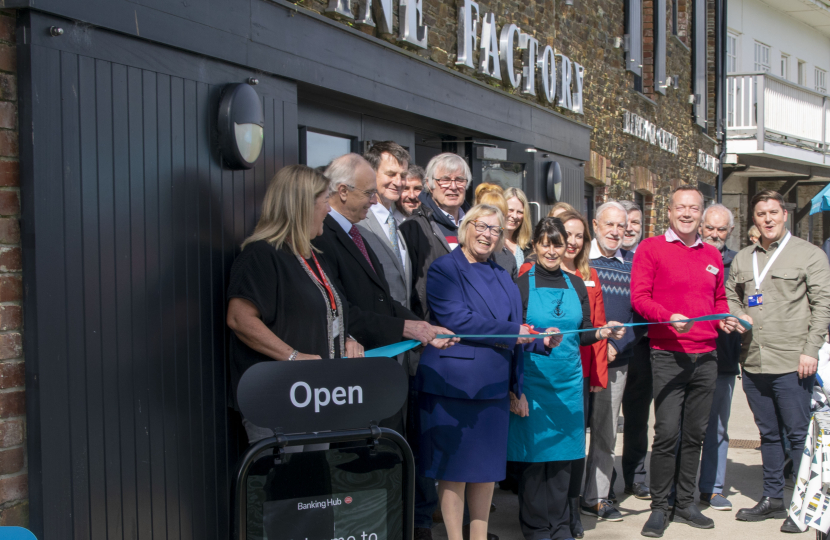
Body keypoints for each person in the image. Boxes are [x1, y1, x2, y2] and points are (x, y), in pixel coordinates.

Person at [416, 205, 561, 540]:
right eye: (481, 226)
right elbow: (459, 320)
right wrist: (517, 332)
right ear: (467, 227)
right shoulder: (444, 270)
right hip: (455, 387)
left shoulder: (501, 274)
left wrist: (541, 339)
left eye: (495, 230)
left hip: (493, 387)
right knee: (453, 471)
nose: (487, 234)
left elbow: (514, 327)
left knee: (485, 472)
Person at [312, 154, 456, 432]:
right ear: (342, 191)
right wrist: (407, 327)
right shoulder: (323, 237)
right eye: (368, 192)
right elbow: (341, 308)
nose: (373, 199)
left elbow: (382, 298)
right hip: (353, 376)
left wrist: (425, 328)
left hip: (379, 369)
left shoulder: (358, 235)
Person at [631, 185, 745, 537]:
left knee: (695, 434)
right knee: (666, 434)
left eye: (693, 208)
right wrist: (666, 316)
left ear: (701, 213)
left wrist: (724, 317)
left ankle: (685, 502)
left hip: (706, 356)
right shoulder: (651, 248)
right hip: (667, 354)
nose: (686, 213)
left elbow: (718, 299)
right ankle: (659, 507)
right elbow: (639, 298)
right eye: (680, 207)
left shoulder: (710, 254)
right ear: (668, 211)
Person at [226, 165, 364, 444]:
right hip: (279, 400)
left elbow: (323, 311)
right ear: (301, 206)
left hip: (315, 398)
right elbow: (240, 319)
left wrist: (346, 338)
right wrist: (293, 357)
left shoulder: (312, 255)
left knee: (313, 482)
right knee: (285, 483)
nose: (328, 209)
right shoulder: (262, 254)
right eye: (324, 201)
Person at [509, 216, 625, 540]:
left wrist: (602, 331)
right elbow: (512, 335)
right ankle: (535, 528)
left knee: (563, 460)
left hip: (568, 385)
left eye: (556, 243)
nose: (551, 250)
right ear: (535, 245)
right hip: (533, 383)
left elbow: (584, 331)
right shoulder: (519, 285)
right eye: (545, 243)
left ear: (565, 246)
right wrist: (514, 390)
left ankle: (559, 526)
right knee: (535, 460)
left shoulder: (576, 284)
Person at [726, 190, 830, 533]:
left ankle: (805, 507)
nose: (767, 219)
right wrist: (739, 315)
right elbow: (730, 295)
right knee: (768, 434)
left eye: (773, 212)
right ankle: (773, 498)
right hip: (754, 360)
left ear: (784, 215)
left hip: (792, 361)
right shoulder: (743, 258)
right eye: (760, 213)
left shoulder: (809, 255)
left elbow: (822, 307)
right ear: (753, 219)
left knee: (798, 436)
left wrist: (811, 350)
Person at [581, 201, 645, 522]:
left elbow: (641, 316)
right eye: (610, 225)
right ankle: (567, 492)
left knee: (606, 434)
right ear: (595, 225)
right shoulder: (580, 261)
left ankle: (596, 496)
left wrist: (617, 344)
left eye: (622, 226)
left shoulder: (634, 266)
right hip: (579, 358)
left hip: (615, 362)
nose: (616, 231)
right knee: (574, 429)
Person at [555, 209, 609, 538]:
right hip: (548, 372)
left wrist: (599, 378)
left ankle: (571, 509)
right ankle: (546, 508)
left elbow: (599, 329)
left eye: (579, 236)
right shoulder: (532, 270)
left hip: (582, 374)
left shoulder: (589, 274)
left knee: (576, 446)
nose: (573, 242)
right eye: (567, 235)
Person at [697, 204, 741, 512]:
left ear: (730, 231)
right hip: (688, 352)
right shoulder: (691, 255)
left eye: (721, 229)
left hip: (724, 356)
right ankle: (676, 486)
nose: (714, 234)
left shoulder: (738, 263)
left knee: (718, 427)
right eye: (710, 228)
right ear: (701, 228)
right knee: (682, 426)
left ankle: (712, 487)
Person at [401, 153, 472, 319]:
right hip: (434, 330)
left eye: (459, 180)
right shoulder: (412, 228)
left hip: (474, 328)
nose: (453, 186)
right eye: (445, 179)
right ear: (429, 184)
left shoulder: (477, 225)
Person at [617, 201, 652, 500]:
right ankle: (604, 480)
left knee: (638, 419)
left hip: (642, 347)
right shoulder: (601, 256)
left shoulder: (649, 256)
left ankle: (636, 476)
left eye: (635, 223)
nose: (629, 228)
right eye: (624, 222)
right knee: (604, 421)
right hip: (612, 349)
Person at [475, 183, 518, 279]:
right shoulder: (466, 252)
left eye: (501, 213)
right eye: (490, 212)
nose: (496, 217)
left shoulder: (508, 258)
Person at [504, 187, 533, 270]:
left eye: (520, 212)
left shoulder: (527, 249)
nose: (514, 216)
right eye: (510, 210)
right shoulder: (491, 244)